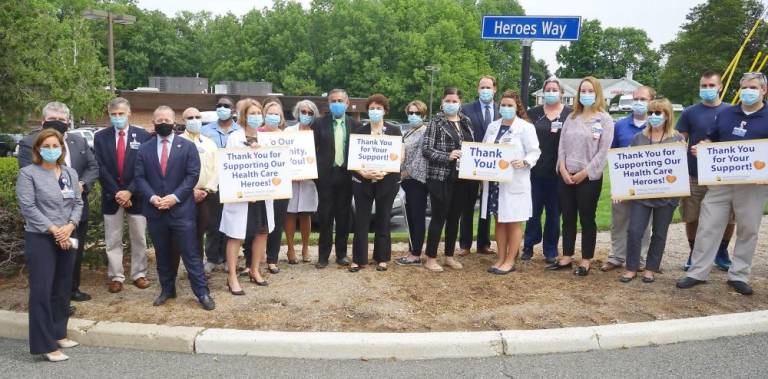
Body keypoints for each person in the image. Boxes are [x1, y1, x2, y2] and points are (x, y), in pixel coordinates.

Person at [677, 72, 768, 295]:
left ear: (763, 91)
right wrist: (703, 148)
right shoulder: (727, 113)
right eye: (745, 87)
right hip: (720, 181)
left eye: (753, 87)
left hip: (753, 184)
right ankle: (697, 272)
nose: (748, 91)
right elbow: (711, 138)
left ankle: (738, 275)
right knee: (708, 225)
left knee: (748, 229)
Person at [17, 102, 99, 305]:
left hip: (75, 212)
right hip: (46, 219)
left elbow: (93, 166)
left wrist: (82, 184)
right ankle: (52, 299)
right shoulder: (30, 143)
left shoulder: (79, 141)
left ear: (69, 122)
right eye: (54, 119)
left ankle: (71, 290)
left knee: (73, 252)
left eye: (63, 120)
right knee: (48, 263)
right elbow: (32, 179)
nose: (58, 123)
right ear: (43, 121)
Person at [134, 106, 214, 310]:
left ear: (174, 121)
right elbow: (140, 177)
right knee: (162, 253)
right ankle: (167, 289)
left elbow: (192, 175)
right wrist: (152, 198)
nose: (163, 123)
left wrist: (175, 197)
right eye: (159, 120)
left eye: (167, 119)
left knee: (190, 253)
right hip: (155, 211)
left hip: (181, 210)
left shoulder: (186, 146)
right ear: (153, 122)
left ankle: (202, 292)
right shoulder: (144, 148)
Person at [17, 128, 84, 361]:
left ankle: (58, 333)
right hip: (41, 237)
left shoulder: (70, 173)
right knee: (42, 291)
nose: (51, 150)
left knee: (63, 287)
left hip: (66, 234)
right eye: (47, 146)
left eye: (56, 146)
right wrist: (55, 230)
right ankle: (45, 345)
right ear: (38, 149)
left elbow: (78, 202)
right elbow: (28, 207)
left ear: (62, 149)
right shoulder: (28, 173)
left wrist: (70, 226)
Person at [548, 76, 614, 276]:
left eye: (590, 91)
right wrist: (564, 169)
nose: (586, 95)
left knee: (587, 218)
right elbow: (562, 147)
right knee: (567, 218)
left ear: (597, 93)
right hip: (567, 176)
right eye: (582, 91)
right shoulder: (571, 117)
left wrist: (585, 172)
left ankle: (586, 260)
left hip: (589, 178)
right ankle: (567, 256)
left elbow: (603, 152)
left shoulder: (605, 119)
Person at [619, 99, 685, 283]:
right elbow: (628, 166)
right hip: (642, 195)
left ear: (667, 115)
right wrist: (622, 190)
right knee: (634, 231)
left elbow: (681, 167)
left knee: (659, 232)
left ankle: (650, 268)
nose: (654, 116)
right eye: (651, 113)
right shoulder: (638, 138)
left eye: (658, 113)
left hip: (667, 196)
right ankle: (631, 267)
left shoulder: (677, 138)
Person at [676, 70, 734, 272]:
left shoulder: (732, 111)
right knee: (692, 217)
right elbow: (678, 141)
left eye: (711, 85)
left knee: (729, 217)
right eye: (704, 86)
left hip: (724, 176)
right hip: (694, 174)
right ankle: (694, 252)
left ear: (720, 87)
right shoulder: (689, 112)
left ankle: (722, 251)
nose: (707, 89)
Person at [93, 97, 151, 294]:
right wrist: (117, 192)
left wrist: (130, 191)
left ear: (129, 113)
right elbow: (99, 166)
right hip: (112, 197)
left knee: (139, 237)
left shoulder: (143, 136)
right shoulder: (100, 137)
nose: (117, 118)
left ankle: (139, 274)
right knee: (113, 239)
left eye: (121, 114)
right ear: (109, 115)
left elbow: (144, 167)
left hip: (136, 196)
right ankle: (116, 276)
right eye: (113, 114)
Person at [479, 91, 541, 274]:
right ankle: (500, 258)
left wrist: (525, 162)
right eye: (503, 105)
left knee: (513, 221)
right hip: (495, 183)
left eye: (510, 105)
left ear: (517, 107)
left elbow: (534, 151)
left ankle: (510, 260)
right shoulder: (493, 127)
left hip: (515, 179)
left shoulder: (525, 127)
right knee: (499, 220)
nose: (506, 108)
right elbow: (483, 150)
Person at [220, 101, 273, 293]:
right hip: (241, 197)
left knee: (261, 232)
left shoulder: (265, 139)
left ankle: (255, 270)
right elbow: (232, 167)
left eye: (259, 113)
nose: (256, 116)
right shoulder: (234, 138)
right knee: (236, 235)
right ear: (244, 116)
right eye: (252, 113)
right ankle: (232, 277)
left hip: (262, 196)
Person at [600, 86, 654, 272]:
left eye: (643, 99)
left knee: (644, 224)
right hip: (623, 182)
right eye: (636, 99)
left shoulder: (656, 125)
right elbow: (612, 154)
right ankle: (616, 256)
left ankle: (639, 259)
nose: (639, 102)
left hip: (648, 183)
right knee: (619, 222)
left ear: (651, 101)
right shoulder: (620, 125)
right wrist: (616, 185)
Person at [422, 87, 475, 272]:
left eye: (454, 101)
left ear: (460, 102)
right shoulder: (435, 122)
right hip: (440, 177)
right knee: (439, 217)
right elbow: (426, 150)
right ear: (442, 102)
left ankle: (449, 256)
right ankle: (430, 258)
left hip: (462, 177)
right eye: (448, 101)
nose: (451, 104)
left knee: (454, 218)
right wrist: (447, 155)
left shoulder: (466, 121)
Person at [349, 94, 402, 272]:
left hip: (387, 181)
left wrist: (384, 171)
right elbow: (353, 157)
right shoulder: (359, 130)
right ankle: (358, 259)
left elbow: (399, 155)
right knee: (361, 221)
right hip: (362, 181)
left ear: (385, 111)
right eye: (372, 108)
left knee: (383, 218)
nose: (375, 111)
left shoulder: (394, 130)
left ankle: (382, 258)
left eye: (378, 108)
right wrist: (363, 172)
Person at [522, 77, 572, 264]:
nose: (550, 92)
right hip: (535, 172)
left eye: (554, 89)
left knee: (553, 213)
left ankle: (550, 250)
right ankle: (528, 245)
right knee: (532, 211)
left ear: (561, 93)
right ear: (543, 92)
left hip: (558, 173)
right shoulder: (533, 113)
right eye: (547, 89)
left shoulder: (570, 114)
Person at [313, 89, 360, 268]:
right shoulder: (319, 124)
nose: (337, 103)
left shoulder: (355, 125)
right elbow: (310, 149)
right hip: (325, 176)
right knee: (325, 217)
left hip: (347, 175)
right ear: (328, 104)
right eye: (333, 100)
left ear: (347, 103)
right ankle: (323, 257)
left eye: (340, 100)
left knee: (344, 216)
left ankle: (341, 254)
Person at [247, 100, 289, 275]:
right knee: (256, 224)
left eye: (276, 114)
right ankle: (251, 261)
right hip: (260, 186)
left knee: (277, 223)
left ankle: (272, 259)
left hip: (281, 185)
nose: (273, 117)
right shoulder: (255, 134)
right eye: (270, 113)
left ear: (281, 118)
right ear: (264, 115)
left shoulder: (287, 136)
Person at [458, 76, 498, 256]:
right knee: (467, 204)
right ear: (477, 89)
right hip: (471, 163)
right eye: (482, 87)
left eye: (488, 87)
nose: (485, 90)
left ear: (495, 89)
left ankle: (484, 243)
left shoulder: (501, 110)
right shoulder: (465, 109)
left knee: (487, 204)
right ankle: (465, 244)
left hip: (494, 164)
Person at [201, 96, 241, 273]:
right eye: (219, 106)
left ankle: (227, 258)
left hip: (234, 184)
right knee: (213, 222)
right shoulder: (206, 130)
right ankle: (211, 258)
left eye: (226, 106)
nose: (222, 108)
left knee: (231, 222)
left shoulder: (240, 131)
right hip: (214, 183)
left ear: (233, 110)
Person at [178, 107, 218, 259]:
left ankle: (199, 266)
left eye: (197, 117)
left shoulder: (209, 143)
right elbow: (176, 171)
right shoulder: (178, 142)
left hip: (206, 195)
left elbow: (216, 169)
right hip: (185, 196)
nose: (194, 120)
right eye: (190, 118)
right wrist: (189, 191)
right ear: (183, 121)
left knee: (204, 231)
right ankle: (191, 266)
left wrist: (206, 190)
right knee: (188, 233)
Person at [285, 100, 320, 264]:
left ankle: (306, 247)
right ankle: (290, 248)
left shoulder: (316, 132)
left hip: (308, 179)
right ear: (297, 112)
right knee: (290, 213)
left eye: (310, 113)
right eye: (303, 112)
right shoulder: (288, 131)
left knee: (306, 213)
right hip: (290, 179)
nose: (306, 115)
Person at [396, 100, 429, 266]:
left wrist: (404, 173)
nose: (413, 116)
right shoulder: (408, 132)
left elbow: (420, 158)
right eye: (411, 113)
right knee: (409, 217)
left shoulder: (425, 132)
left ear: (424, 115)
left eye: (417, 113)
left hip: (417, 181)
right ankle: (411, 250)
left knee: (417, 217)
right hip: (406, 181)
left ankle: (416, 253)